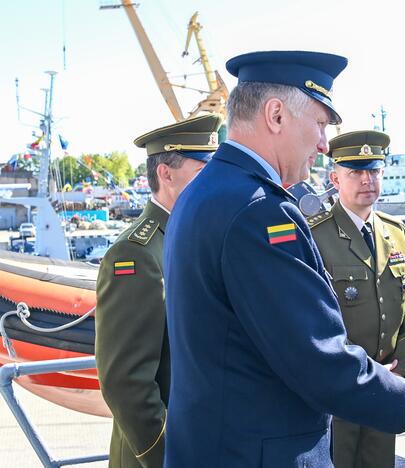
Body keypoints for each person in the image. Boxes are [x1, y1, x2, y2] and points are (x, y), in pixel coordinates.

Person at [162, 51, 405, 467]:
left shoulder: (202, 193)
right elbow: (315, 356)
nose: (323, 143)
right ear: (276, 115)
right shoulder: (257, 210)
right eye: (318, 123)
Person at [95, 114, 221, 468]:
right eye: (202, 172)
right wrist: (168, 456)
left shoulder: (193, 237)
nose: (212, 183)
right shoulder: (136, 254)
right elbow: (125, 381)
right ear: (166, 174)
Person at [307, 130, 405, 468]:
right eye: (355, 172)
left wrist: (401, 371)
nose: (366, 180)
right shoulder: (316, 235)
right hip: (338, 399)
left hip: (386, 391)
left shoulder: (396, 231)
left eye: (373, 171)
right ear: (335, 178)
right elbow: (311, 321)